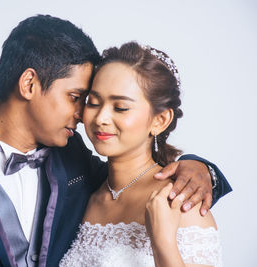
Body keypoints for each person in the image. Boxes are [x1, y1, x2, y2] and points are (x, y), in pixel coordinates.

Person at [0, 16, 231, 267]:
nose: (87, 116)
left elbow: (137, 174)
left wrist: (201, 170)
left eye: (114, 105)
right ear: (30, 85)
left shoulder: (75, 159)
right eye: (81, 98)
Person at [59, 42, 226, 267]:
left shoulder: (183, 201)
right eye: (94, 103)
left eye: (120, 107)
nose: (101, 118)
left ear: (160, 120)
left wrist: (163, 242)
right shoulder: (85, 193)